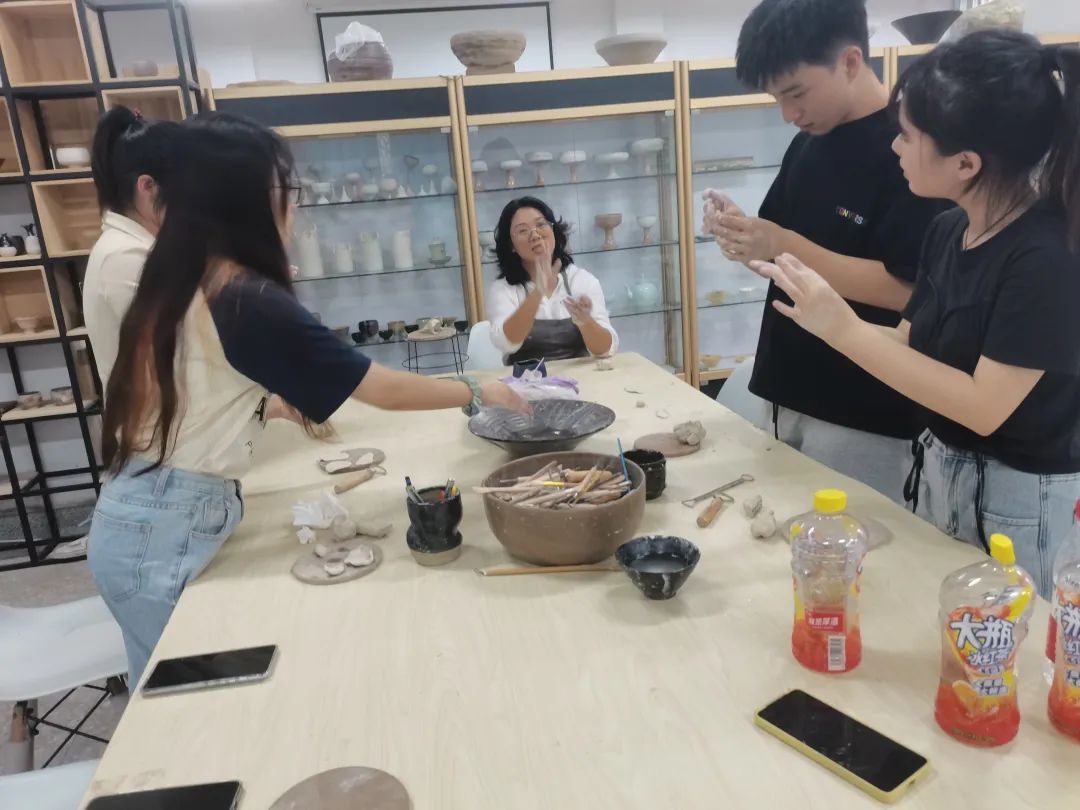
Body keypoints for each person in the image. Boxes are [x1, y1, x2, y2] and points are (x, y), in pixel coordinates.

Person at [87, 113, 528, 686]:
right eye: (286, 188)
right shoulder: (240, 295)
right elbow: (379, 387)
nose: (294, 206)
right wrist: (474, 388)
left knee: (176, 696)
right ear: (243, 198)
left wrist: (267, 403)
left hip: (145, 514)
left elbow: (199, 383)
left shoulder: (193, 272)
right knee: (194, 706)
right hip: (163, 526)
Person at [748, 30, 1080, 596]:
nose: (895, 148)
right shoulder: (950, 229)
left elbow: (984, 406)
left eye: (907, 136)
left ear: (966, 163)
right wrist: (824, 316)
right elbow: (908, 341)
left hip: (1021, 505)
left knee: (1009, 645)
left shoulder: (1047, 256)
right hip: (941, 476)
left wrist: (845, 330)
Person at [702, 0, 947, 501]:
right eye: (776, 98)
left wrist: (782, 243)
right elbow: (780, 257)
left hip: (863, 412)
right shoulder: (809, 142)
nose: (789, 114)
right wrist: (743, 236)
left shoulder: (909, 150)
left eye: (796, 93)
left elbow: (912, 291)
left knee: (858, 545)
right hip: (784, 390)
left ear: (851, 61)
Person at [85, 106, 181, 385]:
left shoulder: (132, 247)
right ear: (148, 186)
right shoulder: (125, 256)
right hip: (154, 412)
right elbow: (176, 356)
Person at [487, 196, 618, 364]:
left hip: (579, 378)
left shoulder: (581, 280)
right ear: (511, 244)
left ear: (553, 231)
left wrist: (585, 322)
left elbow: (605, 349)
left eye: (541, 224)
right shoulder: (503, 289)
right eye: (523, 230)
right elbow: (507, 343)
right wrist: (538, 291)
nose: (535, 235)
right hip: (524, 379)